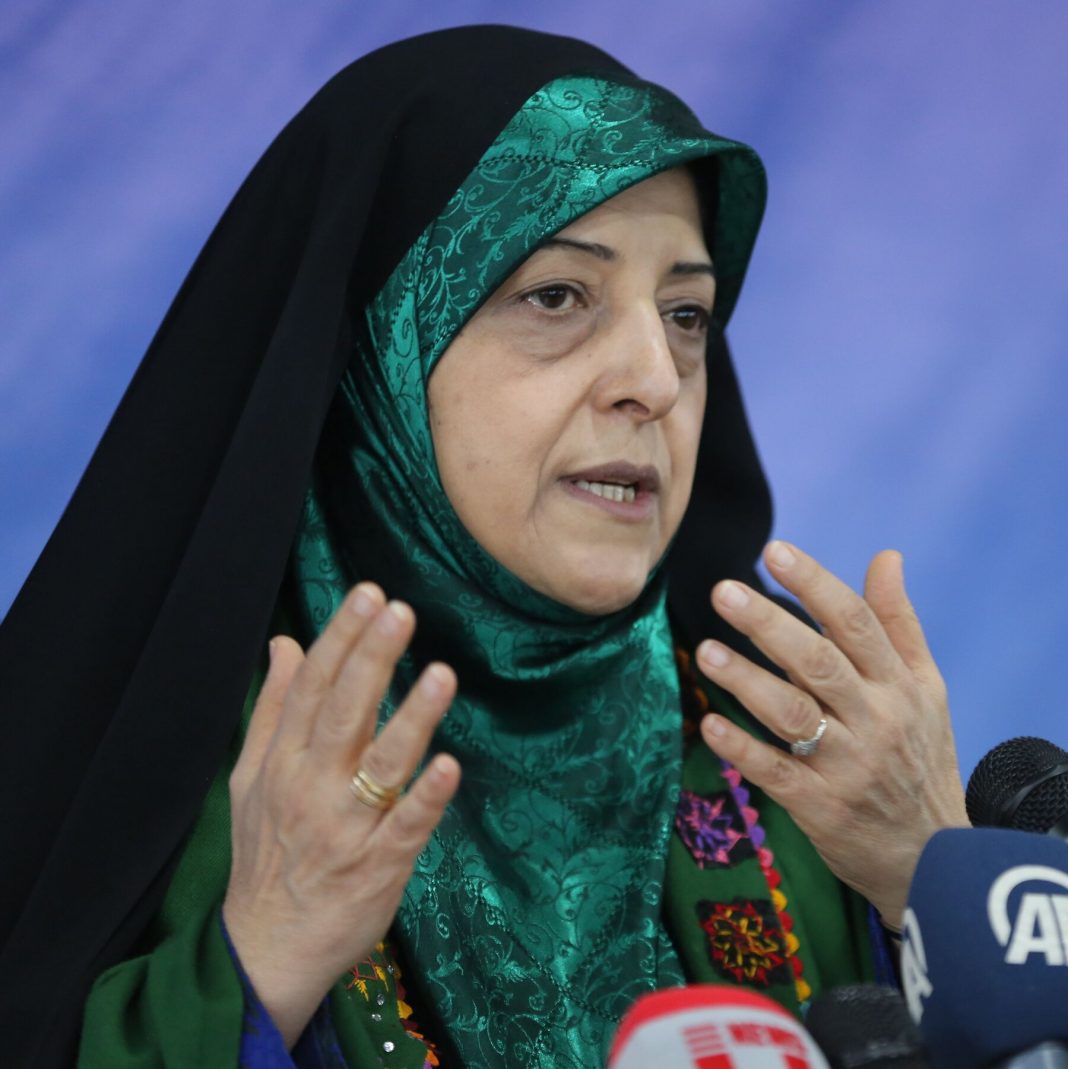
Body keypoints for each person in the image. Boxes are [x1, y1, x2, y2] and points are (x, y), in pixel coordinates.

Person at [0, 25, 969, 1069]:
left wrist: (935, 876)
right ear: (378, 347)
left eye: (687, 314)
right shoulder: (189, 769)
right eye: (557, 296)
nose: (656, 378)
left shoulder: (793, 762)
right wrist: (263, 958)